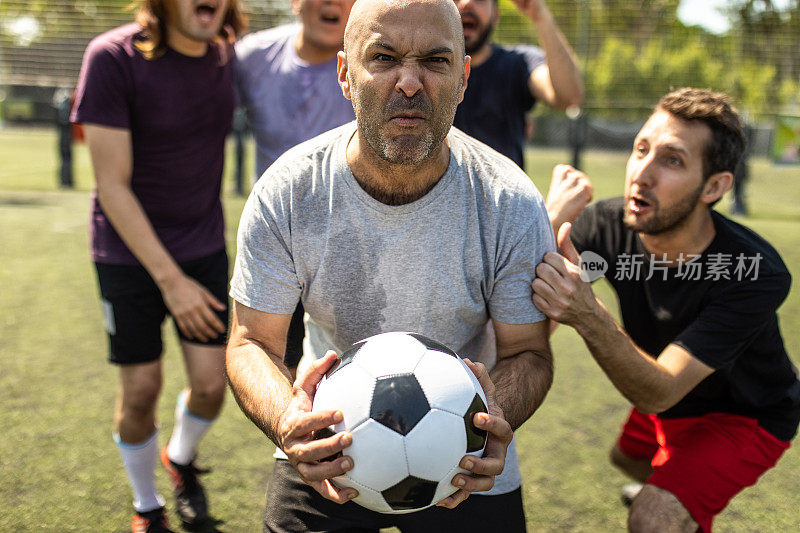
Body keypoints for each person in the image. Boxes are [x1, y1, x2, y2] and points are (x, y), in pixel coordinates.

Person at [225, 0, 556, 530]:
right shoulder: (289, 191)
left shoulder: (509, 200)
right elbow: (250, 343)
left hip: (468, 458)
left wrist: (493, 421)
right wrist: (289, 418)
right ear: (345, 74)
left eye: (435, 60)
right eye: (382, 57)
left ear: (464, 76)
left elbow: (529, 353)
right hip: (327, 440)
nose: (409, 82)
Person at [534, 88, 800, 532]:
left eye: (672, 160)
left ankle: (677, 504)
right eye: (641, 150)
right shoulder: (606, 224)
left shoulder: (754, 272)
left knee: (652, 516)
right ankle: (683, 498)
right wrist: (545, 219)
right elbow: (527, 323)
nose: (642, 173)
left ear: (714, 186)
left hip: (746, 412)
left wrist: (586, 313)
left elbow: (658, 393)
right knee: (626, 457)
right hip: (667, 386)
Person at [71, 1, 246, 531]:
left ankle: (182, 458)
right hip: (126, 256)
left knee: (213, 386)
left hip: (202, 248)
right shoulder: (111, 57)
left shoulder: (227, 59)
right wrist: (172, 284)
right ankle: (146, 503)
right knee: (141, 388)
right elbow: (112, 185)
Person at [235, 0, 357, 376]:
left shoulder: (378, 63)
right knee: (274, 368)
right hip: (277, 243)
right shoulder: (250, 59)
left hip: (352, 245)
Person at [453, 0, 583, 169]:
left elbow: (569, 96)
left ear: (496, 16)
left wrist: (540, 15)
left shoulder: (519, 63)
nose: (467, 3)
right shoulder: (417, 67)